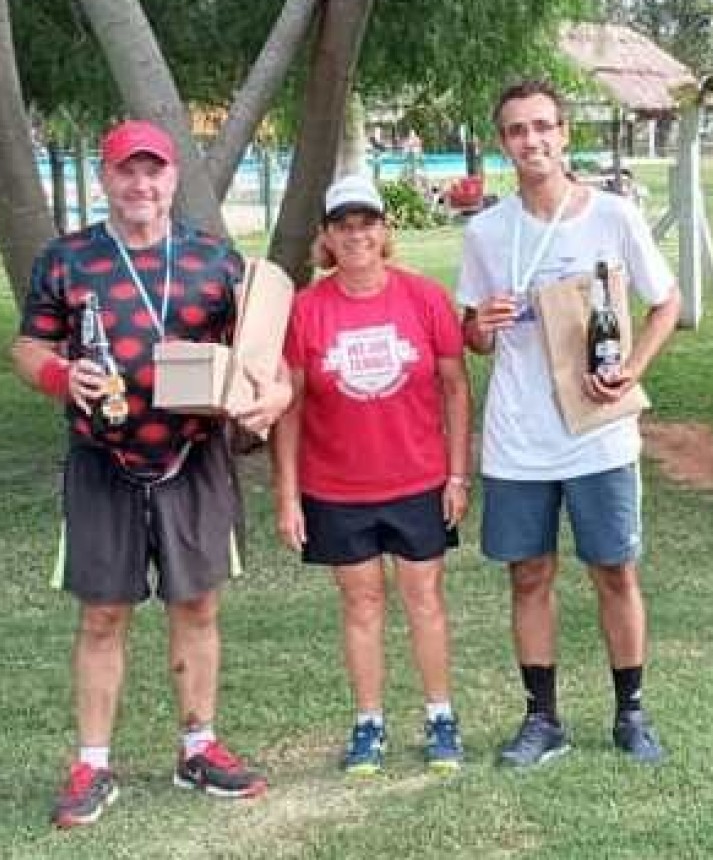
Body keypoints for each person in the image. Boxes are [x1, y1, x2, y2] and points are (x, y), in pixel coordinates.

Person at [12, 119, 291, 827]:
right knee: (103, 611)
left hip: (193, 458)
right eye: (126, 172)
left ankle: (199, 748)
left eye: (154, 171)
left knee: (197, 604)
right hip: (101, 460)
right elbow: (27, 348)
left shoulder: (214, 262)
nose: (141, 185)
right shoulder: (65, 260)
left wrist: (273, 397)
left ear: (173, 180)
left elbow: (266, 358)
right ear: (106, 178)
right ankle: (93, 765)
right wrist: (56, 375)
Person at [457, 80, 681, 768]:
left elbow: (665, 303)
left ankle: (631, 713)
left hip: (598, 433)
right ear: (504, 144)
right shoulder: (486, 230)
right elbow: (473, 334)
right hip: (518, 440)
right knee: (529, 575)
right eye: (518, 131)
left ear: (563, 134)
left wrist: (632, 369)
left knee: (615, 571)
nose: (533, 141)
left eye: (544, 127)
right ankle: (542, 718)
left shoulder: (612, 216)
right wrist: (482, 326)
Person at [271, 174, 471, 776]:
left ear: (386, 231)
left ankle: (440, 717)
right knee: (360, 605)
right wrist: (288, 496)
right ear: (327, 238)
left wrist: (457, 475)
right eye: (343, 226)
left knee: (425, 599)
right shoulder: (306, 311)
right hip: (337, 488)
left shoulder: (425, 298)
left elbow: (456, 388)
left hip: (417, 480)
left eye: (367, 223)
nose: (356, 235)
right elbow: (290, 407)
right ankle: (369, 724)